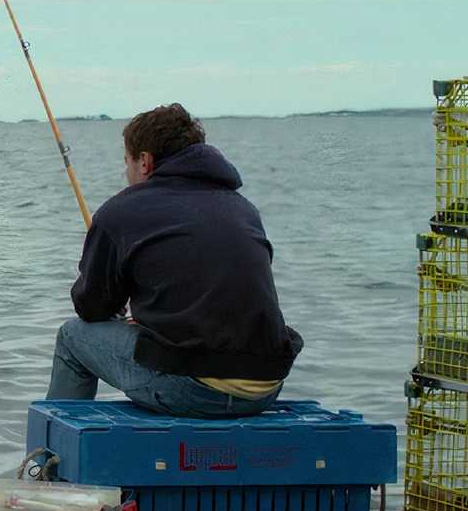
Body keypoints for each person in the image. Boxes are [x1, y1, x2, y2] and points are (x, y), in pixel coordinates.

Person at [45, 103, 303, 418]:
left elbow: (91, 307)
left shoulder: (122, 210)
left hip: (191, 388)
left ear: (144, 161)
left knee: (72, 337)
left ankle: (49, 458)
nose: (125, 171)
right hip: (267, 384)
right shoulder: (242, 208)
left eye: (126, 160)